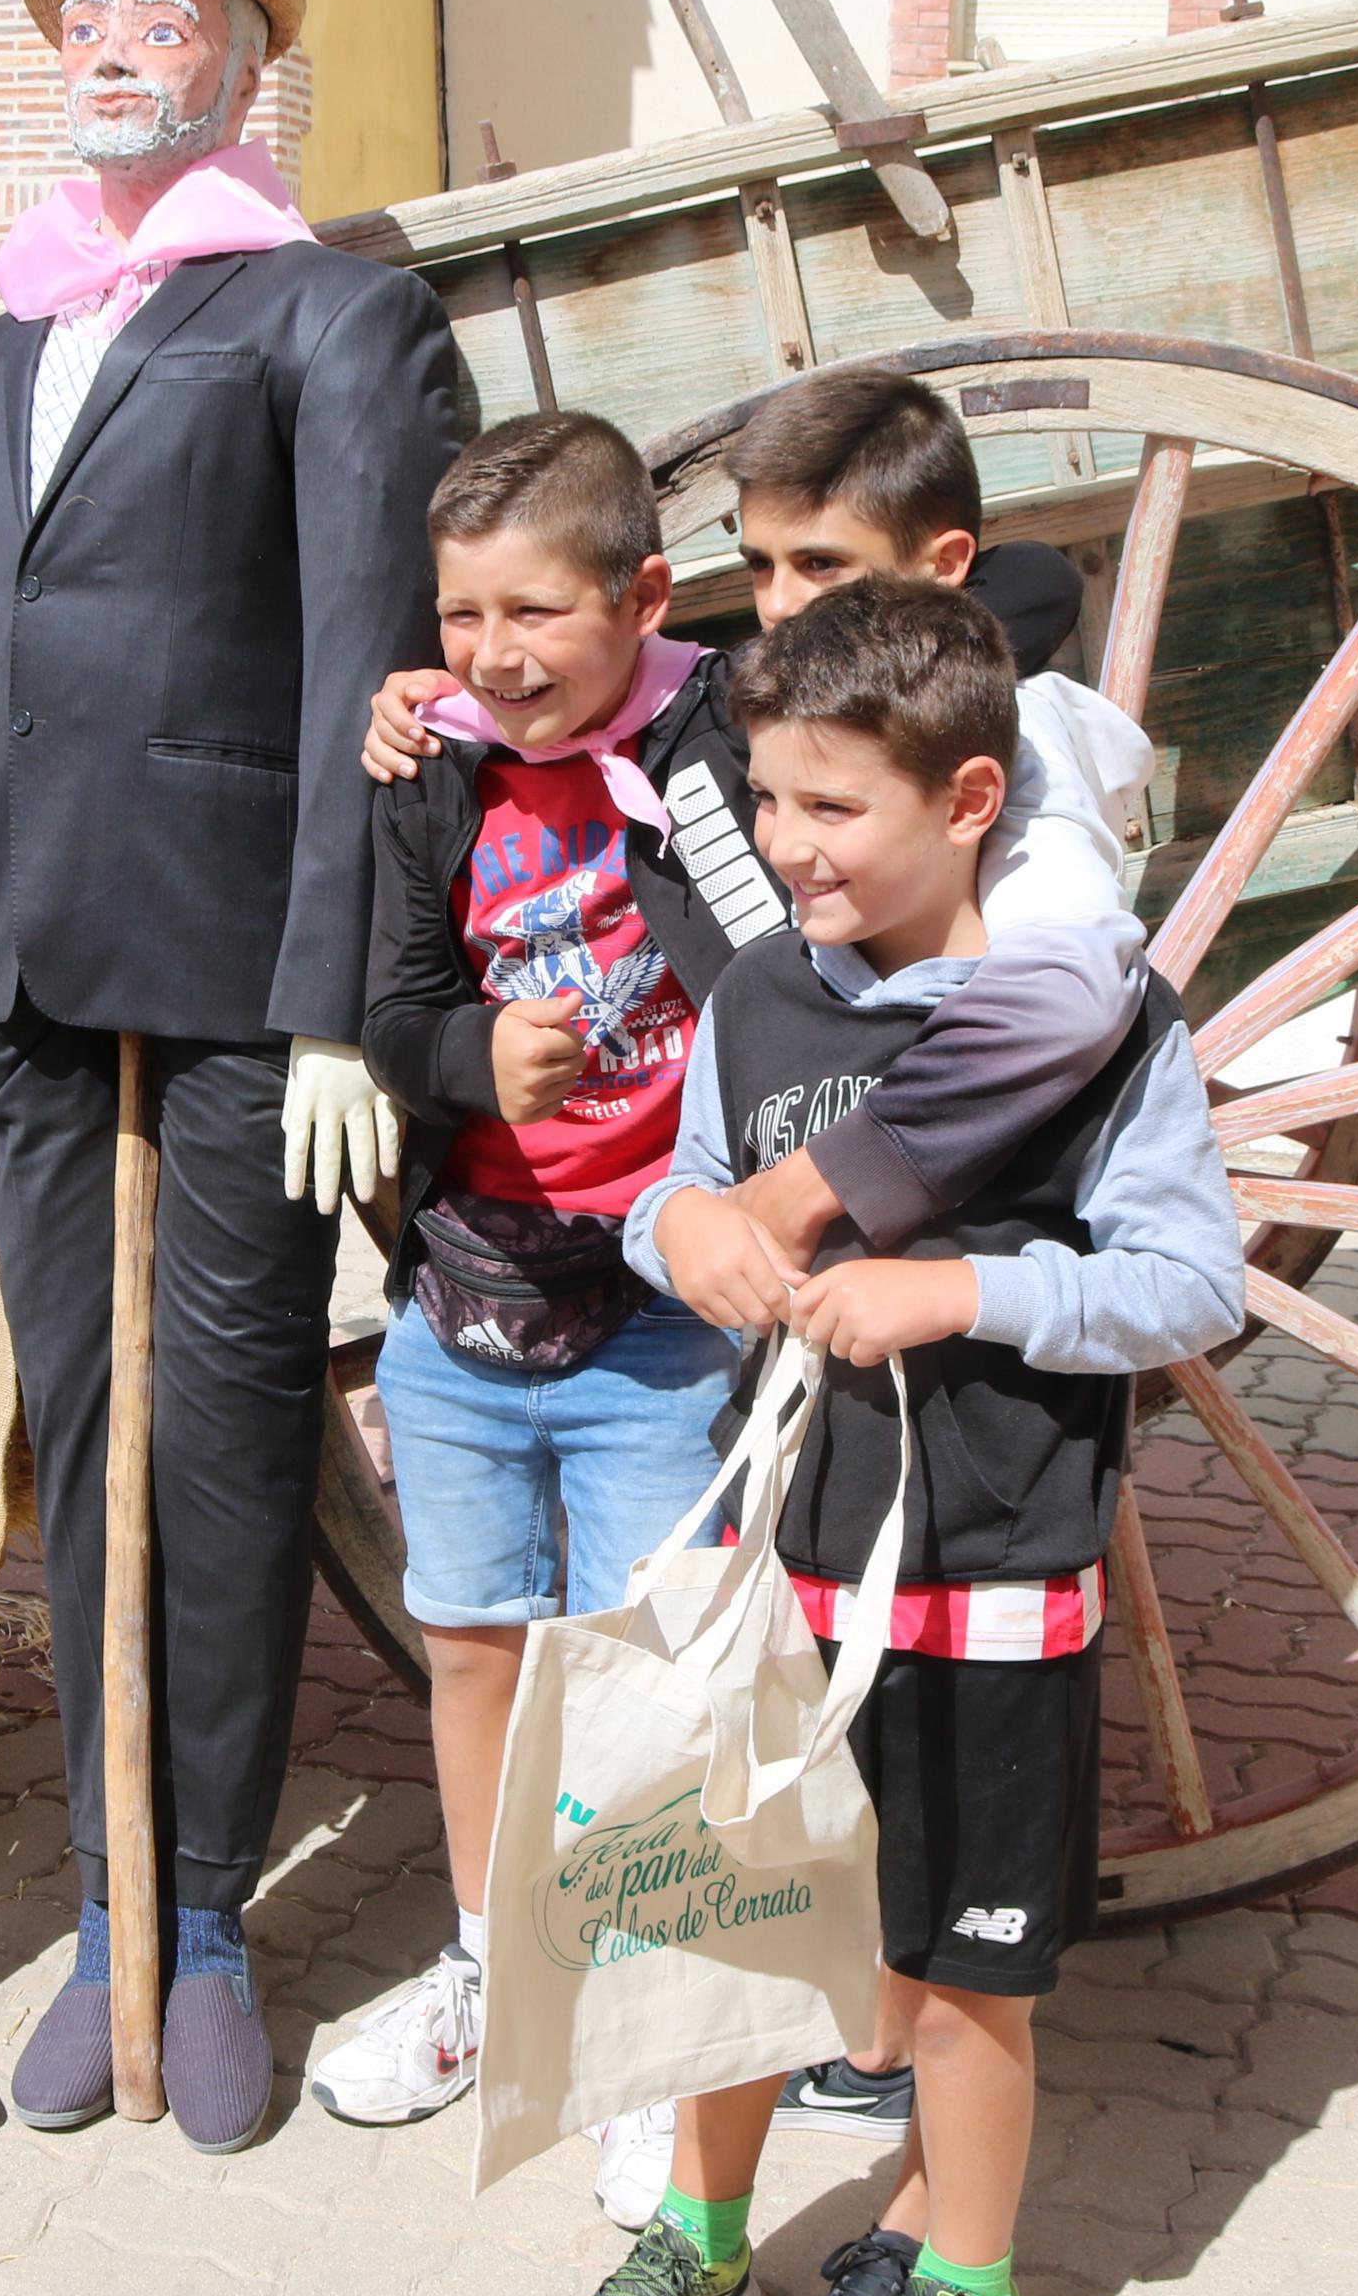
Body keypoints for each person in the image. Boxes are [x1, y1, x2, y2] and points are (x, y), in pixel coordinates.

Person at [306, 413, 1146, 2188]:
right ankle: (488, 1963)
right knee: (469, 1638)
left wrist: (761, 1203)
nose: (493, 654)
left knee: (677, 1670)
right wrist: (463, 1047)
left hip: (683, 1305)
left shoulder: (724, 735)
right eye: (462, 619)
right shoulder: (443, 756)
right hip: (480, 1270)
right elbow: (398, 994)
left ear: (638, 601)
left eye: (535, 611)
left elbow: (868, 910)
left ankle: (653, 2027)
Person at [0, 0, 463, 2153]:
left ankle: (206, 1925)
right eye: (89, 14)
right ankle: (108, 1909)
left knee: (218, 1452)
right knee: (87, 1448)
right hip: (25, 981)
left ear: (239, 58)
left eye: (166, 14)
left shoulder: (323, 320)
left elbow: (363, 671)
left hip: (231, 995)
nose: (117, 45)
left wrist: (330, 1000)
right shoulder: (5, 351)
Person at [533, 576, 1245, 2296]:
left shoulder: (1089, 1018)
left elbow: (1189, 1283)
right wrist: (675, 1232)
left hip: (992, 1572)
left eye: (833, 808)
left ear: (966, 801)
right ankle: (694, 2238)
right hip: (788, 1560)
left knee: (960, 1972)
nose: (788, 846)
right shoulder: (762, 991)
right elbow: (684, 1190)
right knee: (749, 1933)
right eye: (766, 801)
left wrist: (965, 1297)